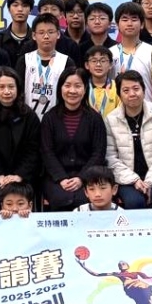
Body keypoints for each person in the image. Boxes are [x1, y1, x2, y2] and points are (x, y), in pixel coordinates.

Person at [40, 68, 109, 210]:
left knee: (84, 200)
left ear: (85, 89)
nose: (72, 91)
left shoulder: (95, 119)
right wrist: (61, 178)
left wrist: (81, 178)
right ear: (60, 88)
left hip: (88, 176)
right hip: (56, 177)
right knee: (60, 199)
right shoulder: (49, 118)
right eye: (67, 85)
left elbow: (98, 153)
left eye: (78, 86)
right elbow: (47, 152)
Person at [104, 71, 152, 209]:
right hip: (127, 179)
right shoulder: (111, 120)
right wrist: (134, 180)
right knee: (134, 202)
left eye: (136, 88)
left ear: (144, 90)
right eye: (126, 90)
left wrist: (149, 181)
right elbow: (111, 158)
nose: (132, 94)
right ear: (119, 95)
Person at [0, 67, 42, 211]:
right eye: (1, 87)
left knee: (22, 198)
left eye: (11, 87)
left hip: (23, 175)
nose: (7, 91)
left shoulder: (29, 116)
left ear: (18, 89)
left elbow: (33, 150)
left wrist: (19, 175)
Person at [111, 3, 152, 105]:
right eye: (125, 19)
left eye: (134, 19)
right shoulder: (109, 54)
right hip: (116, 112)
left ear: (142, 24)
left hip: (146, 112)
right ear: (117, 24)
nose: (129, 23)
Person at [18, 12, 70, 120]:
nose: (46, 36)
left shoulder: (66, 62)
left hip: (57, 121)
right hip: (27, 120)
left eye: (50, 32)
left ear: (58, 34)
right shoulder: (25, 60)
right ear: (34, 35)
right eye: (41, 32)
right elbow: (18, 91)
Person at [0, 0, 35, 64]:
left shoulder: (37, 38)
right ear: (9, 9)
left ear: (30, 10)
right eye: (15, 5)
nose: (20, 9)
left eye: (24, 6)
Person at [84, 46, 119, 116]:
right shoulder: (83, 87)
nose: (98, 64)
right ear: (87, 65)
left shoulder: (117, 87)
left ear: (110, 64)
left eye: (103, 61)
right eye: (94, 61)